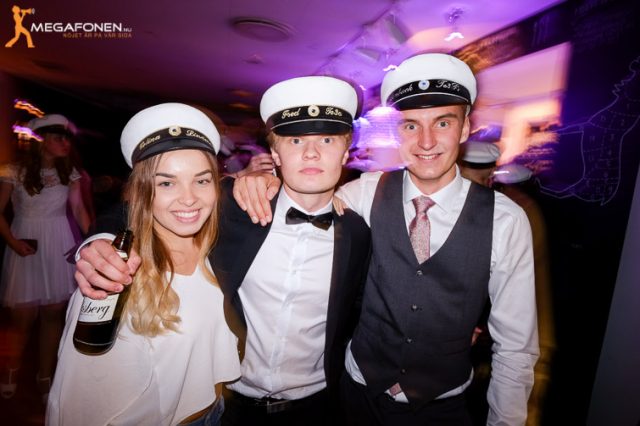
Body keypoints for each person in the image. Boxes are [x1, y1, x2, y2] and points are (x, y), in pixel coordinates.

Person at [234, 53, 539, 425]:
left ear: (464, 129)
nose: (426, 141)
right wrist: (258, 181)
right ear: (398, 132)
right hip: (354, 395)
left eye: (443, 122)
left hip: (442, 409)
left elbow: (516, 347)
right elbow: (306, 195)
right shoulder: (365, 191)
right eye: (411, 125)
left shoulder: (506, 220)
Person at [73, 77, 372, 426]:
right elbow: (145, 205)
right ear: (275, 155)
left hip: (317, 407)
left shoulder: (359, 234)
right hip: (230, 404)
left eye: (327, 139)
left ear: (346, 152)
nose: (311, 153)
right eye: (295, 140)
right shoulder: (235, 207)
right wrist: (100, 241)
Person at [47, 103, 241, 425]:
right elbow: (79, 400)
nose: (189, 198)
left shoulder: (218, 253)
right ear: (141, 191)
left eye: (202, 181)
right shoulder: (113, 276)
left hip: (218, 412)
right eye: (166, 183)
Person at [0, 114, 90, 402]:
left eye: (66, 138)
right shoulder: (13, 171)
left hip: (59, 244)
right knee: (22, 318)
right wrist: (12, 242)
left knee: (53, 315)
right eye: (58, 138)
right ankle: (10, 370)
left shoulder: (70, 173)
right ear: (42, 141)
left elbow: (79, 211)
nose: (65, 143)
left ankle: (45, 375)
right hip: (26, 245)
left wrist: (94, 241)